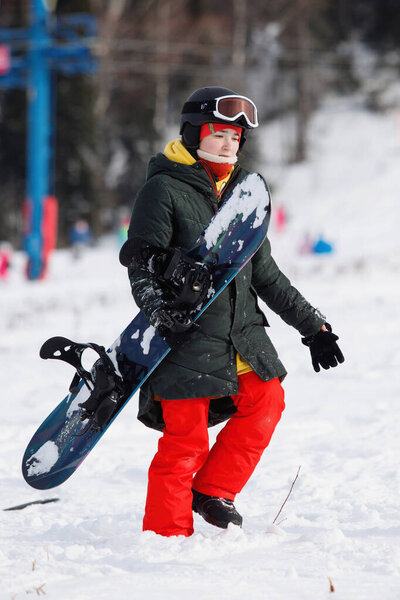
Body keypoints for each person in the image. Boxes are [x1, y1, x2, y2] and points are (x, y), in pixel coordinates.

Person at [121, 86, 344, 537]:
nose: (229, 144)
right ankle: (166, 538)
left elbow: (266, 274)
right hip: (184, 337)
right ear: (193, 133)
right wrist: (161, 312)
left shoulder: (245, 193)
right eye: (220, 134)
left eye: (236, 138)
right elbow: (140, 263)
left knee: (267, 400)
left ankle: (213, 490)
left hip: (242, 334)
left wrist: (313, 325)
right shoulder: (163, 189)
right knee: (184, 443)